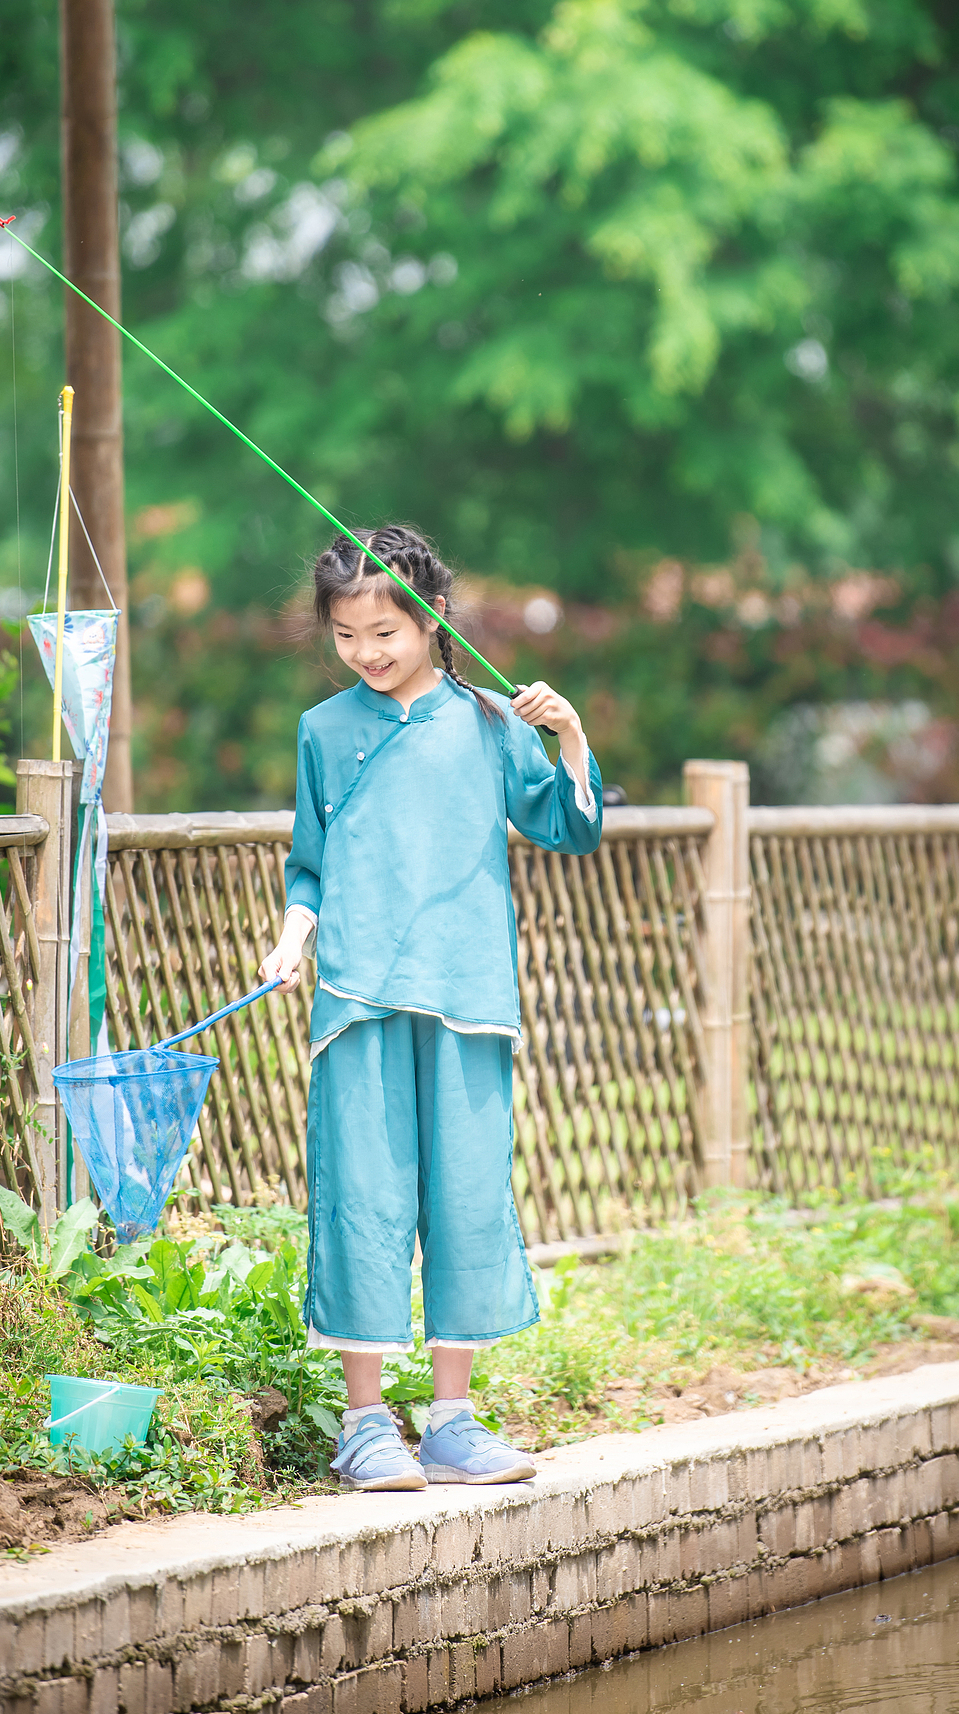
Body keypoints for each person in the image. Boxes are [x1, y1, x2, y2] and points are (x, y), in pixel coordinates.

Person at [259, 524, 602, 1492]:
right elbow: (309, 864)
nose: (366, 653)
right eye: (346, 636)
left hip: (468, 998)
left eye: (385, 632)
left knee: (464, 1201)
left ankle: (450, 1422)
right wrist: (294, 937)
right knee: (362, 1200)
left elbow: (568, 827)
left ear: (434, 617)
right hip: (357, 999)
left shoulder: (492, 724)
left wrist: (565, 735)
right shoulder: (322, 733)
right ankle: (364, 1425)